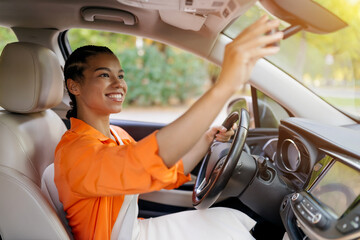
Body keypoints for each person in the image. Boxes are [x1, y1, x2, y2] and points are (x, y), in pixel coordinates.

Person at [54, 15, 283, 240]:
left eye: (121, 75)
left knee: (228, 218)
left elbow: (160, 172)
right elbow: (143, 164)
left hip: (135, 229)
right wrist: (224, 86)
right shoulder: (74, 153)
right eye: (104, 74)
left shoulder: (116, 135)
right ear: (74, 86)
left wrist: (206, 141)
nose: (119, 84)